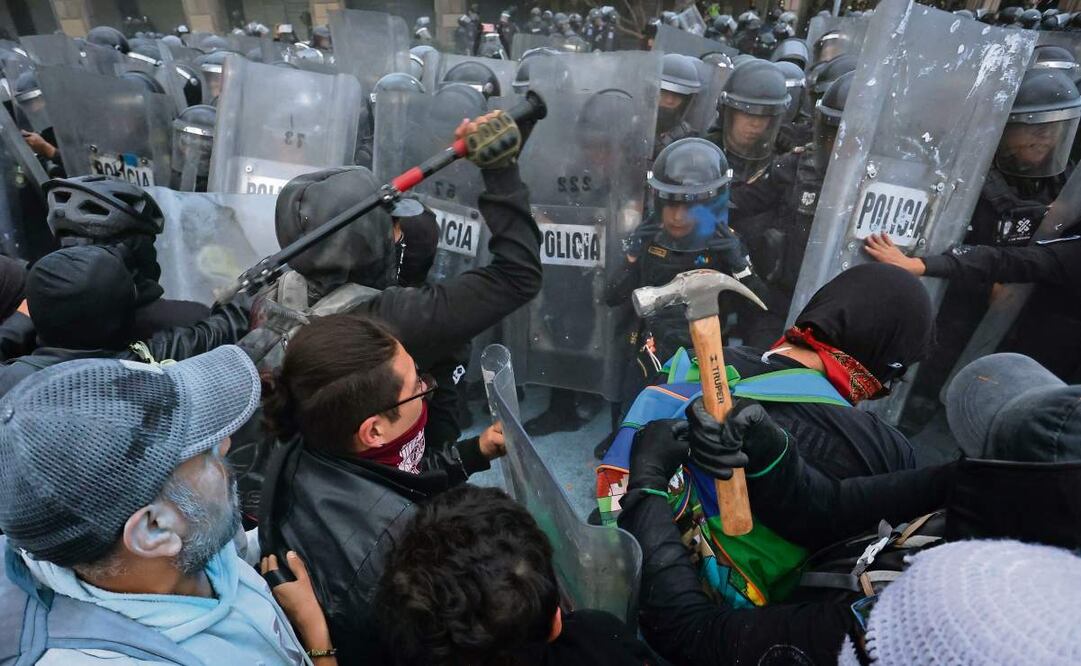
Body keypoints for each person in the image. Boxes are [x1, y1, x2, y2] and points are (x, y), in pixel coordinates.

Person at [616, 349, 1081, 664]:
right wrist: (768, 451)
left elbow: (693, 636)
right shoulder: (975, 487)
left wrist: (648, 489)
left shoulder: (924, 622)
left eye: (985, 453)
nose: (968, 462)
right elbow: (831, 509)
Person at [0, 347, 312, 664]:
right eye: (205, 453)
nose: (225, 443)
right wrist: (319, 643)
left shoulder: (193, 530)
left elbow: (235, 561)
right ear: (153, 530)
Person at [258, 313, 508, 665]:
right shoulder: (401, 555)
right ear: (373, 431)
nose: (425, 388)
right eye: (416, 385)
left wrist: (475, 451)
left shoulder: (309, 430)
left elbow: (403, 474)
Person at [606, 138, 764, 407]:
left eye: (689, 206)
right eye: (671, 204)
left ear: (709, 204)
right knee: (632, 407)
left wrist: (740, 266)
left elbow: (758, 311)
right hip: (651, 347)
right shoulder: (648, 238)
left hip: (706, 353)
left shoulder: (726, 243)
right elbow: (611, 296)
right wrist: (632, 256)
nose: (678, 216)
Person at [0, 244, 249, 396]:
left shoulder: (11, 382)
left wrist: (19, 324)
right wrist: (246, 296)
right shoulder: (142, 364)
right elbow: (217, 331)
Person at [730, 72, 853, 346]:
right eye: (834, 135)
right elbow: (738, 203)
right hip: (782, 303)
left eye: (852, 137)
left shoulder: (885, 187)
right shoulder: (796, 166)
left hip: (845, 314)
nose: (840, 146)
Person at [707, 59, 790, 182]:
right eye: (747, 114)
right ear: (726, 111)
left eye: (764, 116)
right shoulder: (704, 154)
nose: (756, 124)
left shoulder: (781, 164)